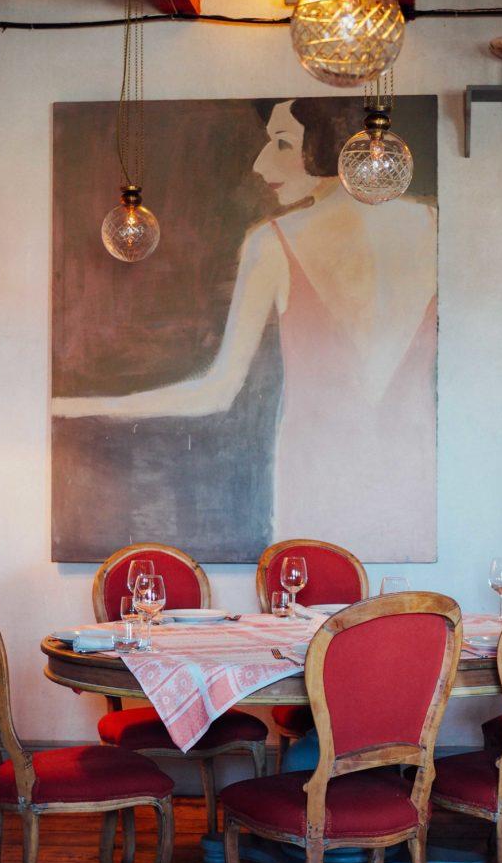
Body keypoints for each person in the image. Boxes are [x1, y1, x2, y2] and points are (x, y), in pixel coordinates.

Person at [53, 99, 438, 561]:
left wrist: (66, 405)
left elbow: (214, 392)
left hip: (315, 486)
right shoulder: (433, 226)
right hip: (415, 485)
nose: (260, 164)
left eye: (281, 143)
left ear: (329, 145)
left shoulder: (272, 241)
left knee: (299, 618)